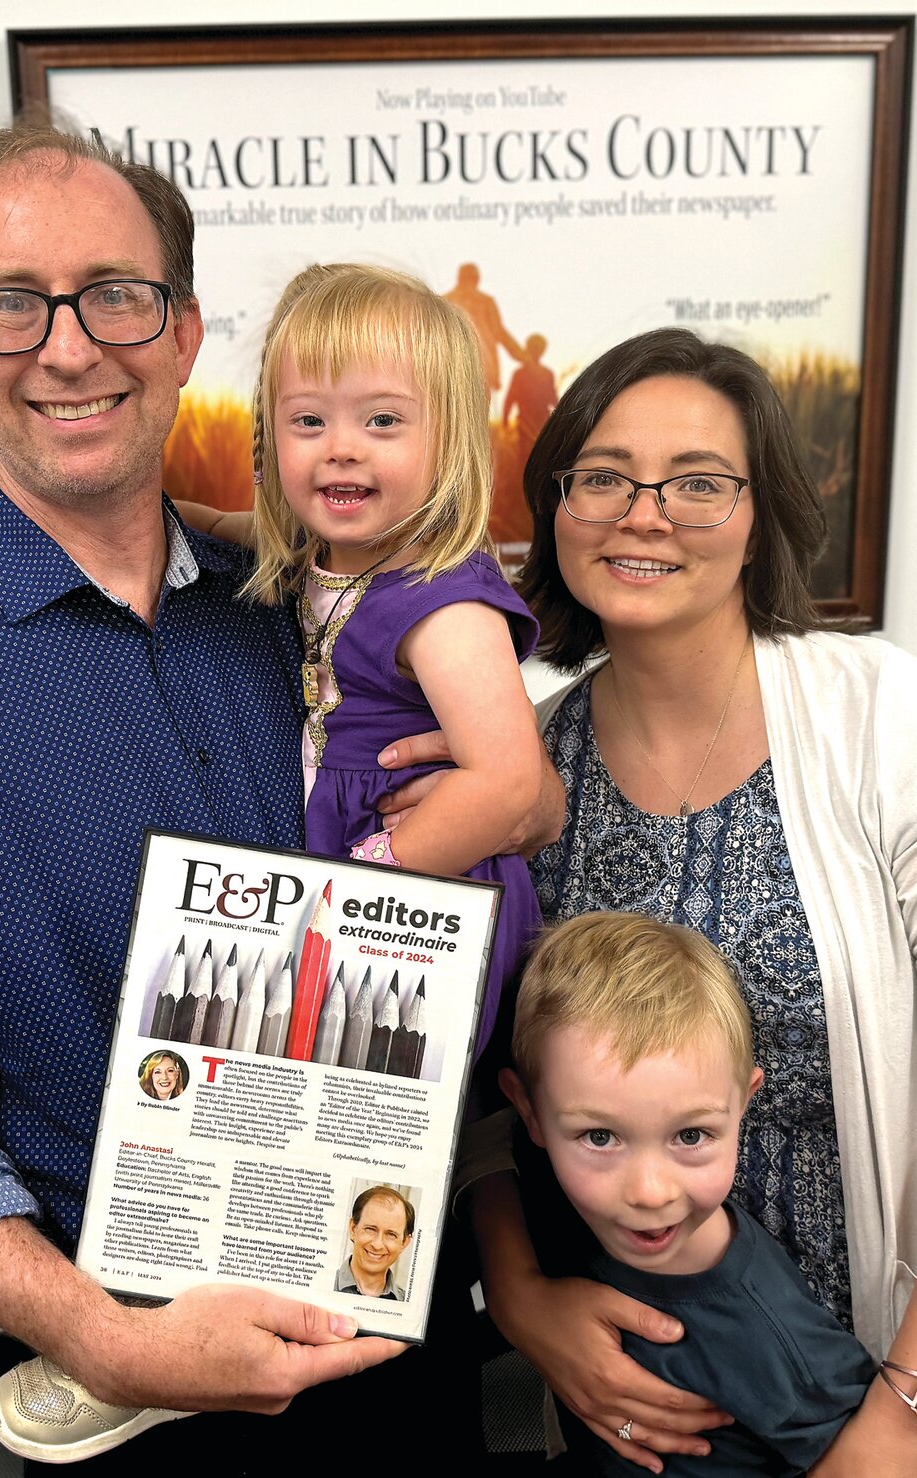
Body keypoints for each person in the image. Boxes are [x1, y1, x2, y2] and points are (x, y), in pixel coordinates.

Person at [0, 121, 550, 1473]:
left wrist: (521, 801)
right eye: (10, 306)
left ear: (184, 331)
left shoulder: (312, 610)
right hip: (131, 1379)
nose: (69, 348)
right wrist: (103, 1340)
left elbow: (501, 834)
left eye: (115, 295)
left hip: (401, 1334)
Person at [469, 327, 917, 1478]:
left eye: (700, 482)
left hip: (889, 1381)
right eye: (602, 476)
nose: (644, 514)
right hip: (644, 1412)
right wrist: (523, 1296)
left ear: (763, 516)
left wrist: (904, 1416)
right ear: (556, 505)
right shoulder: (516, 771)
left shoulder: (896, 727)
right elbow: (483, 1090)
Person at [196, 261, 546, 1059]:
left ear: (447, 438)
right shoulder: (326, 556)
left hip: (425, 893)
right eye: (308, 422)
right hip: (350, 876)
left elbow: (508, 782)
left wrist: (368, 878)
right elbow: (234, 527)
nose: (341, 449)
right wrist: (168, 517)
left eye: (382, 422)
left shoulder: (444, 603)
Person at [501, 912, 877, 1474]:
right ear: (529, 1113)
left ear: (743, 1102)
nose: (650, 1193)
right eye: (600, 1137)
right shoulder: (556, 1215)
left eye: (690, 1135)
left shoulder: (779, 1346)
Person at [444, 261, 524, 403]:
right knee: (479, 415)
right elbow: (499, 332)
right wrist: (521, 356)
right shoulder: (486, 301)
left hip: (451, 368)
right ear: (477, 279)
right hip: (483, 369)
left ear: (459, 278)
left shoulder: (445, 300)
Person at [335, 1186, 416, 1299]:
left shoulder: (410, 1305)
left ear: (404, 1243)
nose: (377, 1245)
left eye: (391, 1235)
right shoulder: (318, 1286)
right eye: (370, 1229)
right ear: (353, 1229)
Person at [502, 333, 560, 465]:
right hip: (533, 421)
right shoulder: (545, 373)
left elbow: (511, 397)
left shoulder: (523, 373)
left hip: (532, 421)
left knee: (529, 458)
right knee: (537, 456)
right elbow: (553, 398)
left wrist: (505, 418)